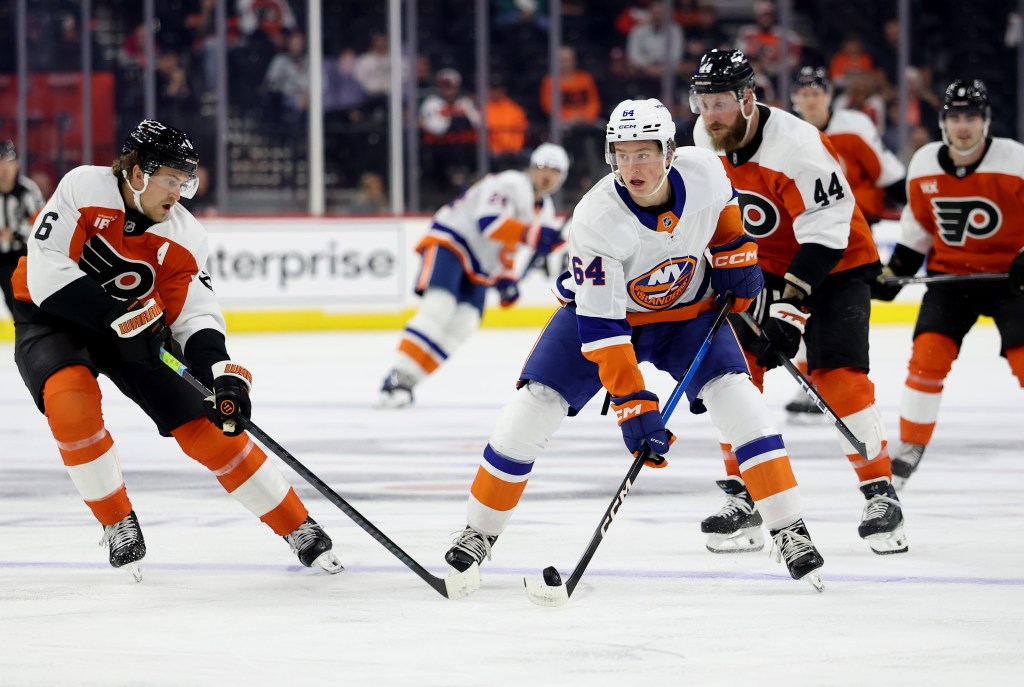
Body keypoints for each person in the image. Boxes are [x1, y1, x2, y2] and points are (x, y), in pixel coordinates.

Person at [443, 98, 825, 589]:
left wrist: (734, 253)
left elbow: (725, 209)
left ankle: (789, 527)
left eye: (643, 154)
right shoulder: (596, 218)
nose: (632, 167)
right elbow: (604, 332)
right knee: (531, 408)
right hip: (602, 316)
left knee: (741, 398)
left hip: (686, 316)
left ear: (669, 153)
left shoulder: (705, 170)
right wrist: (632, 403)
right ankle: (479, 532)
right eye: (621, 154)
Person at [10, 120, 342, 580]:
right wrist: (116, 319)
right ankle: (116, 520)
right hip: (53, 317)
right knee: (71, 405)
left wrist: (219, 372)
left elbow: (195, 315)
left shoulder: (186, 235)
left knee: (209, 424)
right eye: (172, 177)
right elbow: (48, 274)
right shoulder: (83, 186)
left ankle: (296, 525)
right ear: (138, 172)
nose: (180, 190)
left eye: (185, 179)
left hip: (138, 330)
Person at [689, 49, 907, 555]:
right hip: (760, 264)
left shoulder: (796, 145)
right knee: (732, 372)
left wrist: (790, 309)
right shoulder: (704, 137)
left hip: (835, 262)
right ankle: (743, 498)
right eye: (703, 101)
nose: (710, 114)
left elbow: (826, 233)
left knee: (838, 378)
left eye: (720, 101)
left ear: (748, 98)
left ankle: (881, 493)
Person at [871, 80, 1024, 489]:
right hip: (950, 280)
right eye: (955, 117)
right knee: (927, 359)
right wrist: (895, 270)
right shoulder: (923, 163)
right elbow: (918, 229)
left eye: (971, 117)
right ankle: (910, 448)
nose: (963, 126)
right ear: (942, 123)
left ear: (986, 121)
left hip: (1011, 282)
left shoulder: (1015, 160)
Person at [378, 143, 570, 408]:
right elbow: (489, 223)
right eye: (542, 167)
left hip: (481, 264)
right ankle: (396, 375)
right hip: (453, 242)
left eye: (555, 171)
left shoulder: (544, 210)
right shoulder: (510, 182)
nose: (547, 175)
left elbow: (507, 249)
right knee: (438, 309)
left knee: (464, 324)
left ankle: (409, 382)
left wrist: (506, 279)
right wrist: (533, 235)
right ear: (531, 167)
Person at [786, 65, 906, 421]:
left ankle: (833, 385)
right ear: (795, 99)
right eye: (803, 94)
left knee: (833, 312)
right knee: (807, 305)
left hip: (851, 232)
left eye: (816, 93)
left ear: (828, 96)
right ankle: (813, 381)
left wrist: (918, 216)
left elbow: (888, 173)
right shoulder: (785, 133)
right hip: (806, 233)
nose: (810, 100)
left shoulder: (853, 128)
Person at [0, 140, 46, 319]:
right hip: (2, 259)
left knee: (30, 300)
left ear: (16, 165)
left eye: (9, 162)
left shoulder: (28, 190)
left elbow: (43, 222)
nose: (5, 168)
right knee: (13, 304)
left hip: (25, 254)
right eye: (1, 162)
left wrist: (16, 233)